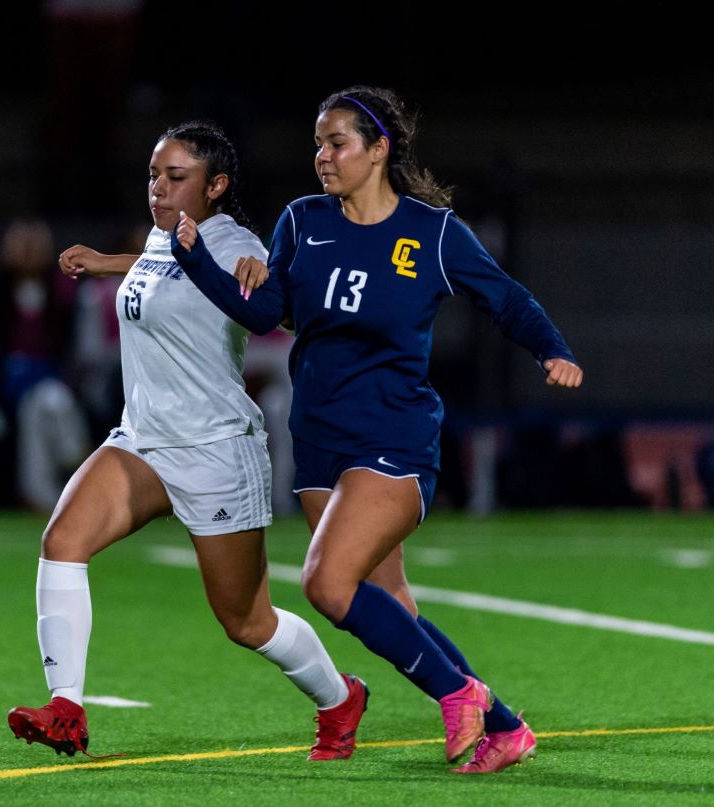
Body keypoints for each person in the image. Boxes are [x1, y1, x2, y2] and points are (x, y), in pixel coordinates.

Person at [173, 86, 583, 775]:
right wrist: (199, 263)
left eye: (336, 143)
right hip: (318, 443)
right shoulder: (303, 221)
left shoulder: (433, 232)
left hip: (394, 439)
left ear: (379, 148)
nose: (321, 156)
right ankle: (506, 728)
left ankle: (460, 692)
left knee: (328, 586)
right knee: (387, 604)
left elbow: (505, 298)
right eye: (316, 143)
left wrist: (552, 349)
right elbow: (269, 312)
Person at [7, 121, 366, 761]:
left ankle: (340, 699)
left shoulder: (237, 246)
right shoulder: (163, 237)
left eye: (176, 178)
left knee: (247, 621)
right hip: (142, 441)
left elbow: (276, 305)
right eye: (153, 175)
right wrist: (106, 264)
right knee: (63, 541)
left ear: (217, 185)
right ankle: (67, 708)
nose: (158, 189)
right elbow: (167, 267)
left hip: (216, 451)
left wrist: (273, 280)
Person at [0, 217, 89, 513]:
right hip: (4, 385)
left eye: (33, 245)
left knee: (43, 405)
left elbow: (72, 346)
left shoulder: (61, 291)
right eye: (20, 245)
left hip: (49, 380)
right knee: (38, 405)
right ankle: (62, 471)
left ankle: (47, 484)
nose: (27, 252)